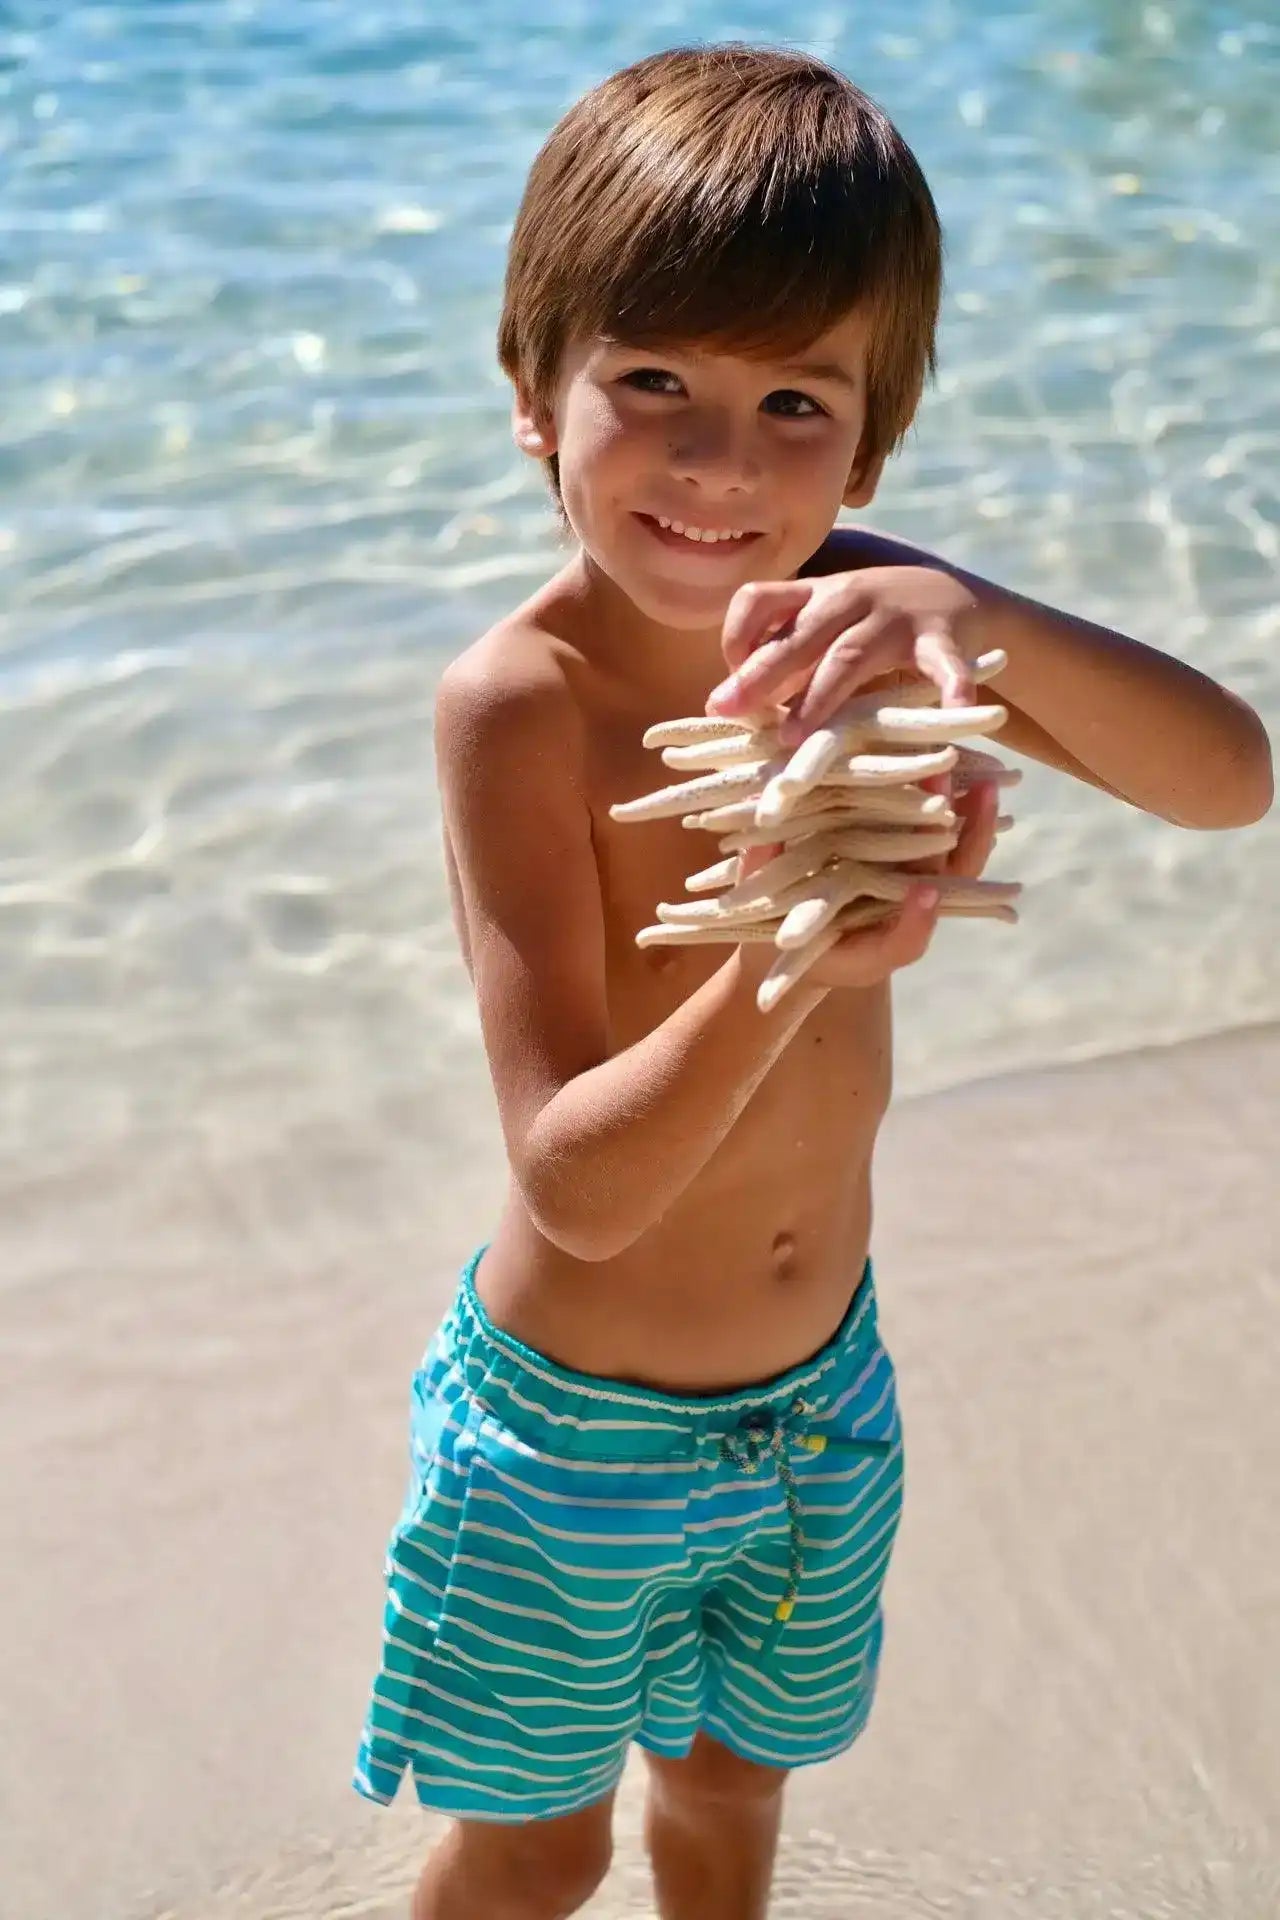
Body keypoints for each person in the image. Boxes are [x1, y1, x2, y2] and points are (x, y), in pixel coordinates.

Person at [351, 43, 1272, 1920]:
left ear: (872, 440)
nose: (721, 463)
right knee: (536, 1850)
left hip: (818, 1404)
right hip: (574, 1434)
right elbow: (577, 1189)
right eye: (655, 385)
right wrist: (792, 951)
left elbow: (1227, 783)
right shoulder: (520, 706)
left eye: (796, 403)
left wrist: (986, 623)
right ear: (535, 396)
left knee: (724, 1816)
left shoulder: (883, 630)